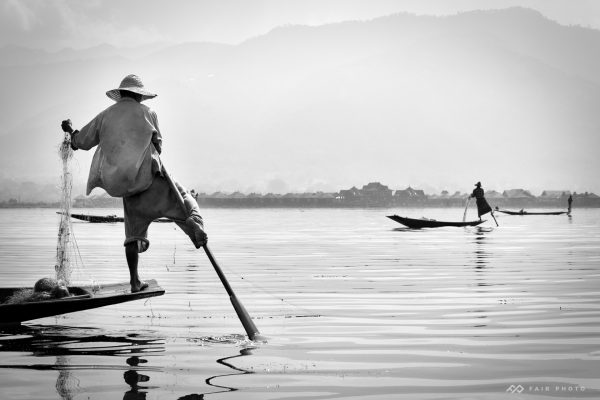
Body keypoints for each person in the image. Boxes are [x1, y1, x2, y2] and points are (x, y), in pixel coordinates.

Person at [61, 74, 207, 293]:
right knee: (185, 199)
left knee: (132, 236)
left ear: (121, 94)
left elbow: (80, 142)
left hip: (126, 188)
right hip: (151, 181)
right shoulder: (148, 113)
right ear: (139, 95)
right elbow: (158, 144)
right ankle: (194, 225)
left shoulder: (105, 116)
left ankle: (134, 282)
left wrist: (71, 131)